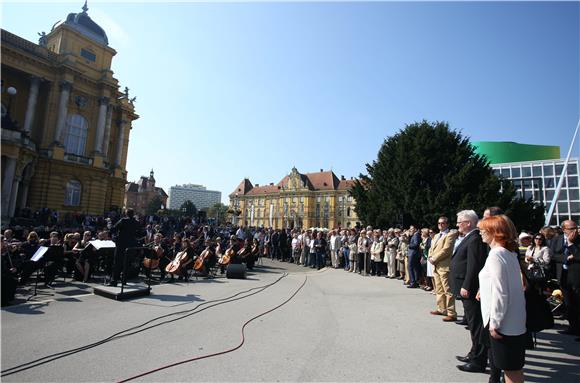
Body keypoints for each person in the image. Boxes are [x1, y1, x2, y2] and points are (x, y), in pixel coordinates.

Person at [478, 215, 527, 383]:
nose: (481, 233)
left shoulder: (496, 255)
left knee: (510, 369)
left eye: (483, 230)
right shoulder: (509, 253)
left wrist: (495, 322)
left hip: (504, 322)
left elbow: (501, 292)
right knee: (514, 368)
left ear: (494, 232)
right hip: (515, 319)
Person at [451, 210, 489, 374]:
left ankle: (478, 360)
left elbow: (474, 265)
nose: (457, 224)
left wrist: (467, 285)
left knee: (476, 325)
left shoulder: (475, 239)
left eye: (460, 222)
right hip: (465, 285)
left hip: (470, 287)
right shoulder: (469, 237)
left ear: (468, 223)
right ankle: (473, 353)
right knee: (472, 324)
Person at [552, 220, 580, 339]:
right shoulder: (557, 239)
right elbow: (553, 255)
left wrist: (571, 244)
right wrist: (567, 258)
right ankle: (573, 328)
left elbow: (579, 255)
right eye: (571, 228)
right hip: (563, 274)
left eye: (576, 227)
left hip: (576, 276)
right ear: (564, 229)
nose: (575, 230)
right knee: (569, 303)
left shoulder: (577, 239)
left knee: (578, 303)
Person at [428, 216, 459, 322]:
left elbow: (446, 250)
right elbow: (432, 248)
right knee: (439, 288)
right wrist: (430, 256)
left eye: (443, 223)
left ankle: (451, 312)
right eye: (439, 223)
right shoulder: (436, 235)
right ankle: (441, 309)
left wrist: (434, 258)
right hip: (436, 265)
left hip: (444, 265)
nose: (441, 225)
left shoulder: (450, 235)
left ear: (447, 224)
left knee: (448, 290)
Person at [108, 208, 139, 286]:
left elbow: (113, 229)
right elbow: (139, 233)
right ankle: (124, 280)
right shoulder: (136, 222)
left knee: (117, 262)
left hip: (121, 244)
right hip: (131, 245)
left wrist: (109, 224)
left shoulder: (123, 220)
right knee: (127, 263)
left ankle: (114, 281)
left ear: (126, 214)